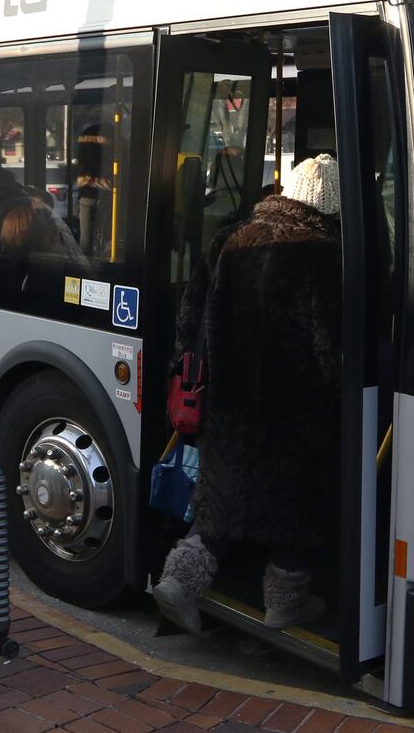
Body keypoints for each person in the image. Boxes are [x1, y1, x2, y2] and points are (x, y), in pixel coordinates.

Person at [152, 154, 343, 633]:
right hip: (295, 416)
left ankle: (178, 580)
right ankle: (285, 604)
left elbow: (190, 317)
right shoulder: (323, 254)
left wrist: (186, 368)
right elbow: (329, 346)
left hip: (228, 404)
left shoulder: (231, 238)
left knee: (221, 502)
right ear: (331, 210)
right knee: (296, 510)